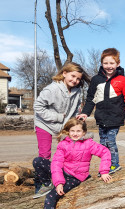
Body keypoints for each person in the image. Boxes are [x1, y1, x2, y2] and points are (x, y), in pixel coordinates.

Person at [37, 118, 112, 209]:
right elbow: (56, 163)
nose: (75, 134)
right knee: (38, 161)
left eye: (78, 131)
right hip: (63, 172)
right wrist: (58, 182)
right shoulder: (63, 144)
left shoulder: (89, 144)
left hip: (76, 177)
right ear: (68, 131)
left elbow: (105, 152)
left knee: (50, 197)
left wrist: (104, 171)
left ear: (84, 132)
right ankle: (47, 184)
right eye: (72, 131)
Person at [33, 62, 90, 199]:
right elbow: (38, 107)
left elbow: (75, 108)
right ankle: (43, 184)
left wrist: (76, 119)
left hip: (63, 125)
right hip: (44, 124)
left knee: (68, 151)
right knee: (45, 155)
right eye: (72, 76)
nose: (75, 80)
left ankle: (68, 176)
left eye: (78, 78)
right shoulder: (51, 90)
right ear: (64, 73)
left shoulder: (76, 91)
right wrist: (57, 117)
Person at [77, 48, 125, 174]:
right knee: (103, 144)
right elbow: (91, 98)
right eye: (106, 63)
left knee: (110, 141)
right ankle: (105, 167)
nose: (109, 66)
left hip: (115, 118)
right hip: (101, 117)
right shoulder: (96, 80)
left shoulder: (123, 81)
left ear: (118, 64)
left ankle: (115, 164)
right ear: (102, 63)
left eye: (112, 63)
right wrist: (85, 112)